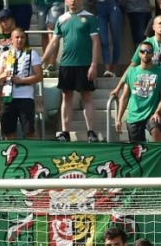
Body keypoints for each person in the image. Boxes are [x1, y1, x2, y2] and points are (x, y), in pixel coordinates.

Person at [112, 16, 161, 143]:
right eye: (159, 23)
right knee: (138, 147)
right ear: (153, 27)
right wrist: (118, 88)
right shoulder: (146, 45)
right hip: (148, 89)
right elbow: (131, 68)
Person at [42, 0, 101, 143]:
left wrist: (94, 64)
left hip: (84, 64)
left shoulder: (90, 17)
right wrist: (42, 60)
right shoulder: (61, 19)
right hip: (66, 64)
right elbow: (54, 42)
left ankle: (91, 132)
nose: (73, 1)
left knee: (86, 96)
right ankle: (65, 133)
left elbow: (96, 42)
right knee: (66, 97)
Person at [115, 40, 161, 143]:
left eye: (149, 51)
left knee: (156, 129)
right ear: (139, 54)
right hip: (134, 115)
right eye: (143, 51)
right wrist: (118, 119)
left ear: (153, 54)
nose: (145, 54)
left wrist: (158, 112)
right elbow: (125, 96)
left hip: (152, 113)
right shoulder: (131, 72)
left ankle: (160, 156)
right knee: (137, 151)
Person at [0, 28, 41, 139]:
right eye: (17, 37)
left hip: (25, 97)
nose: (19, 40)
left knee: (29, 131)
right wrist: (4, 75)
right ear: (11, 39)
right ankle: (11, 154)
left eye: (22, 37)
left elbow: (39, 76)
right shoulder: (5, 55)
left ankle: (31, 154)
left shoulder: (32, 53)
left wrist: (22, 80)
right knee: (9, 132)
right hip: (7, 97)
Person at [34, 0, 64, 74]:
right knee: (43, 32)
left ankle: (51, 64)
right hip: (40, 3)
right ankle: (47, 63)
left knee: (51, 30)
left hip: (56, 2)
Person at [96, 0, 122, 78]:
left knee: (116, 39)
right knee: (104, 41)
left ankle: (113, 70)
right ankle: (107, 70)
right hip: (99, 5)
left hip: (113, 4)